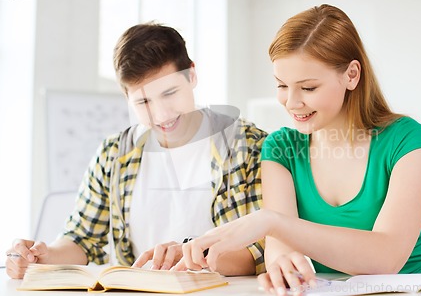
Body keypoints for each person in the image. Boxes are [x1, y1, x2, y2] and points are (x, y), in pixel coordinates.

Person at [177, 4, 421, 293]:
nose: (292, 103)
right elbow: (280, 252)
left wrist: (270, 222)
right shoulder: (281, 149)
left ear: (351, 75)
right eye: (282, 85)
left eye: (308, 88)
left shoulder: (409, 141)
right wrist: (281, 266)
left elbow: (386, 259)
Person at [5, 23, 267, 279]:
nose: (161, 114)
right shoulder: (113, 155)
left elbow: (263, 250)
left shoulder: (248, 146)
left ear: (192, 75)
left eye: (169, 93)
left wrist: (192, 256)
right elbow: (82, 239)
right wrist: (42, 257)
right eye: (143, 101)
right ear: (126, 97)